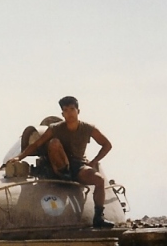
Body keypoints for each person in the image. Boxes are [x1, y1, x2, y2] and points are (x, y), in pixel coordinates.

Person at [11, 96, 114, 228]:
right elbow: (37, 144)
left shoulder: (88, 128)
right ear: (62, 114)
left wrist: (94, 161)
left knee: (99, 180)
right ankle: (64, 174)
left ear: (78, 111)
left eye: (72, 109)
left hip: (79, 165)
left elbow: (107, 144)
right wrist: (19, 157)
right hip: (59, 165)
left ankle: (99, 217)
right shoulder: (56, 128)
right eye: (66, 110)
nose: (69, 113)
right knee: (54, 143)